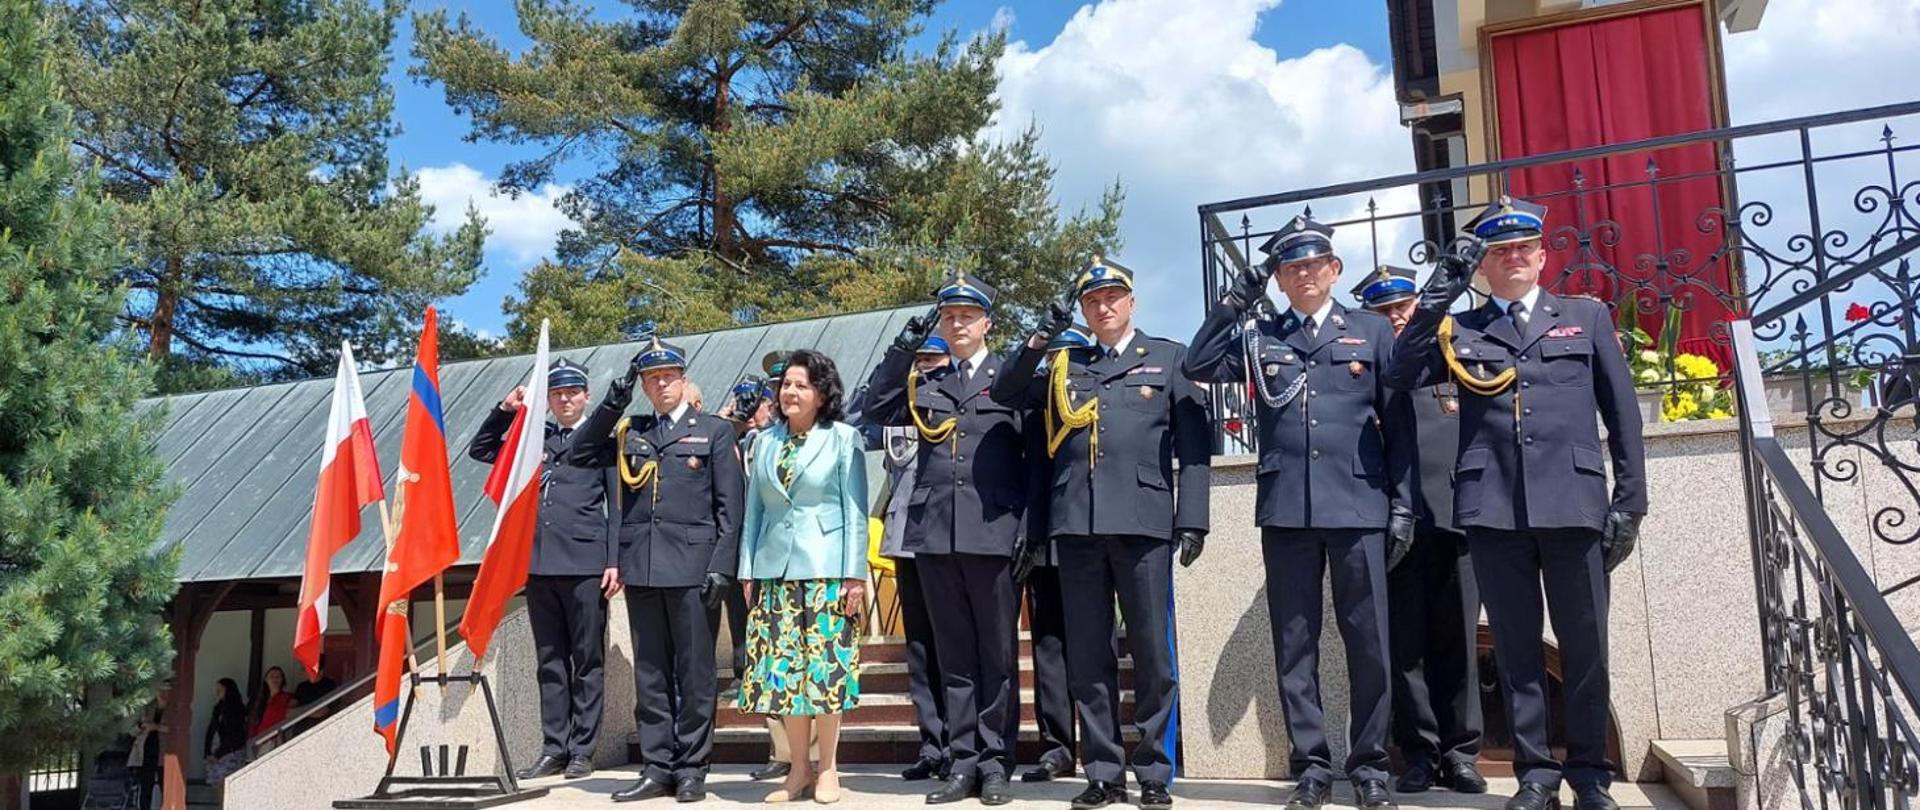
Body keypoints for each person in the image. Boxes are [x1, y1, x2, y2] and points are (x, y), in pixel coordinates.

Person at [1386, 196, 1647, 810]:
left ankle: (1588, 773)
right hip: (1493, 507)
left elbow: (1623, 415)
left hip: (1575, 503)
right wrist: (1438, 293)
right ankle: (1535, 775)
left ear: (1542, 254)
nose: (1513, 260)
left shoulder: (1584, 318)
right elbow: (1400, 372)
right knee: (1516, 647)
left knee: (1585, 646)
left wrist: (1630, 501)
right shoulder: (1461, 328)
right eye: (1499, 253)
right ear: (1484, 267)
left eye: (1523, 248)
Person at [1183, 214, 1410, 810]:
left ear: (1335, 270)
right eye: (1291, 267)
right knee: (1295, 643)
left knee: (1369, 640)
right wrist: (1239, 297)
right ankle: (1310, 764)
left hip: (1360, 502)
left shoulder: (1371, 331)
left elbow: (1400, 424)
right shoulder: (1262, 337)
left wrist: (1404, 503)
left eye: (1314, 264)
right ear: (1279, 280)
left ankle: (1368, 766)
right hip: (1288, 509)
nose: (1304, 274)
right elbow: (1198, 363)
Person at [992, 257, 1211, 810]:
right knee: (1089, 657)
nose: (1103, 307)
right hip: (1079, 525)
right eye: (1092, 301)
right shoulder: (1067, 362)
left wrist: (1193, 518)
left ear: (1131, 301)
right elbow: (1006, 389)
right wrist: (1041, 335)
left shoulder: (1168, 357)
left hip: (1144, 524)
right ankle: (1105, 772)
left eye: (1112, 297)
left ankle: (1156, 773)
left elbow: (1194, 447)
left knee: (1152, 655)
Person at [864, 274, 1034, 806]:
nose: (957, 324)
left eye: (967, 316)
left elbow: (1034, 457)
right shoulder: (926, 384)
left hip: (992, 533)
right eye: (948, 317)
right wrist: (904, 346)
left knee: (997, 656)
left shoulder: (1010, 378)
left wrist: (1028, 526)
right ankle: (962, 762)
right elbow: (874, 405)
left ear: (987, 323)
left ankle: (995, 760)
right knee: (954, 656)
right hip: (935, 536)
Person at [572, 330, 744, 803]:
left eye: (668, 376)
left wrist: (721, 568)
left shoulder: (714, 430)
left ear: (684, 381)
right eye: (652, 378)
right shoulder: (633, 431)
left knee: (694, 674)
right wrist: (616, 395)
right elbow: (582, 451)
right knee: (650, 676)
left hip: (694, 571)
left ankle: (691, 768)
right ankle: (656, 767)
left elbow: (731, 508)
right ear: (644, 386)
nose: (661, 385)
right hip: (643, 569)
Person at [1353, 266, 1487, 795]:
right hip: (1392, 524)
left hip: (1453, 519)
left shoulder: (1448, 356)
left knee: (1458, 639)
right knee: (1403, 647)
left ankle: (1460, 753)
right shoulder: (1371, 371)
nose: (1397, 318)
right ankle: (1418, 754)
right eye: (1385, 311)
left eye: (1404, 307)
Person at [467, 359, 618, 780]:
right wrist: (505, 410)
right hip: (538, 564)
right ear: (548, 400)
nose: (565, 399)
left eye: (572, 392)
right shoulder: (535, 439)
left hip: (586, 564)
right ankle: (554, 747)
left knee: (587, 660)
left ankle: (582, 750)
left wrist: (612, 560)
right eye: (557, 394)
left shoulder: (601, 439)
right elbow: (481, 450)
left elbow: (616, 505)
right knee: (550, 660)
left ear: (586, 395)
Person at [737, 349, 870, 805]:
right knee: (784, 675)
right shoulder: (764, 442)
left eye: (801, 385)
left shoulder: (843, 438)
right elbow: (753, 510)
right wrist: (747, 570)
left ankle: (829, 768)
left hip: (826, 571)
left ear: (821, 393)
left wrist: (855, 575)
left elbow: (855, 512)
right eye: (786, 385)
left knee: (824, 673)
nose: (790, 392)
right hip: (775, 573)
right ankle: (797, 769)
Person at [861, 336, 953, 785]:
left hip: (950, 533)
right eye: (920, 362)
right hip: (906, 533)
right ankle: (932, 744)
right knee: (919, 649)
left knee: (953, 645)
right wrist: (901, 363)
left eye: (933, 360)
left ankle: (962, 743)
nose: (927, 369)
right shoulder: (904, 404)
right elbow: (872, 407)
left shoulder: (959, 394)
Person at [1019, 326, 1093, 786]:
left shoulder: (1094, 400)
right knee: (1048, 647)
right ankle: (1057, 747)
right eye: (1054, 360)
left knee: (1094, 644)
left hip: (1090, 531)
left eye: (1071, 358)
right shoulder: (1033, 403)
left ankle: (1102, 744)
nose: (1061, 368)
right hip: (1044, 535)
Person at [129, 684, 169, 809]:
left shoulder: (175, 708)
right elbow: (131, 731)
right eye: (160, 690)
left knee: (166, 789)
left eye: (166, 691)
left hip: (165, 754)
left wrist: (155, 727)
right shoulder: (147, 707)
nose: (163, 694)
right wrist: (141, 726)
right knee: (145, 788)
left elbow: (174, 728)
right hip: (145, 753)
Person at [203, 678, 248, 782]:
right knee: (214, 782)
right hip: (215, 753)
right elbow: (211, 730)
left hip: (230, 753)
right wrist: (207, 752)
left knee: (225, 783)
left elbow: (233, 734)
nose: (217, 692)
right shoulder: (218, 708)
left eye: (220, 689)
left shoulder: (236, 709)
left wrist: (218, 754)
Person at [289, 658, 338, 736]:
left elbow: (322, 711)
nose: (305, 671)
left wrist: (300, 712)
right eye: (304, 668)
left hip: (320, 729)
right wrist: (310, 711)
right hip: (300, 730)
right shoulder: (301, 687)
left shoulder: (329, 684)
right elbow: (289, 712)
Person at [249, 666, 293, 737]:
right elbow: (253, 723)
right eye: (272, 676)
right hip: (258, 739)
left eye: (278, 676)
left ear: (282, 680)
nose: (275, 678)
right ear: (266, 680)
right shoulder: (260, 700)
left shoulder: (288, 698)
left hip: (276, 738)